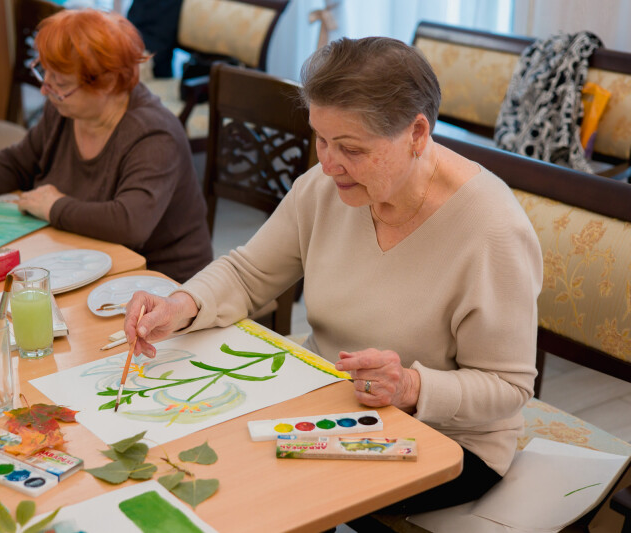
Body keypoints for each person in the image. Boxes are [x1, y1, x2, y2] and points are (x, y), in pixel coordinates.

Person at [122, 37, 543, 516]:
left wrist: (410, 387)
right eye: (320, 138)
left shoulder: (491, 229)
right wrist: (182, 304)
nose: (326, 162)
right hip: (330, 403)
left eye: (350, 148)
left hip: (445, 441)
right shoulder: (326, 187)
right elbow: (248, 272)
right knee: (197, 446)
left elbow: (508, 388)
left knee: (261, 488)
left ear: (417, 132)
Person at [0, 9, 213, 283]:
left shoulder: (153, 134)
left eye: (61, 83)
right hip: (89, 258)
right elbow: (19, 161)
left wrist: (55, 206)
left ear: (107, 84)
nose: (46, 89)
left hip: (160, 283)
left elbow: (130, 223)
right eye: (45, 74)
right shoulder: (65, 108)